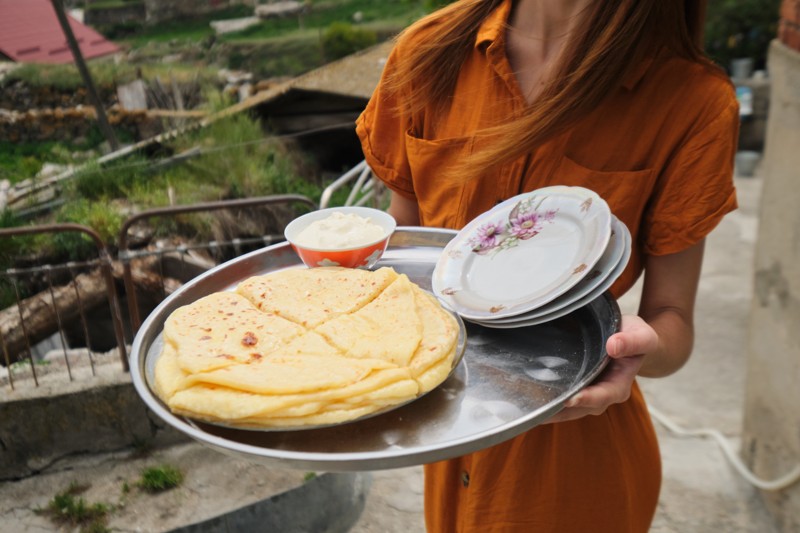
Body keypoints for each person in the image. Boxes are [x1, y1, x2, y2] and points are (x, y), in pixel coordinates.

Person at [356, 0, 739, 531]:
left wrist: (637, 351)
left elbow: (672, 320)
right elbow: (406, 259)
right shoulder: (429, 54)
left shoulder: (691, 100)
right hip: (451, 441)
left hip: (577, 466)